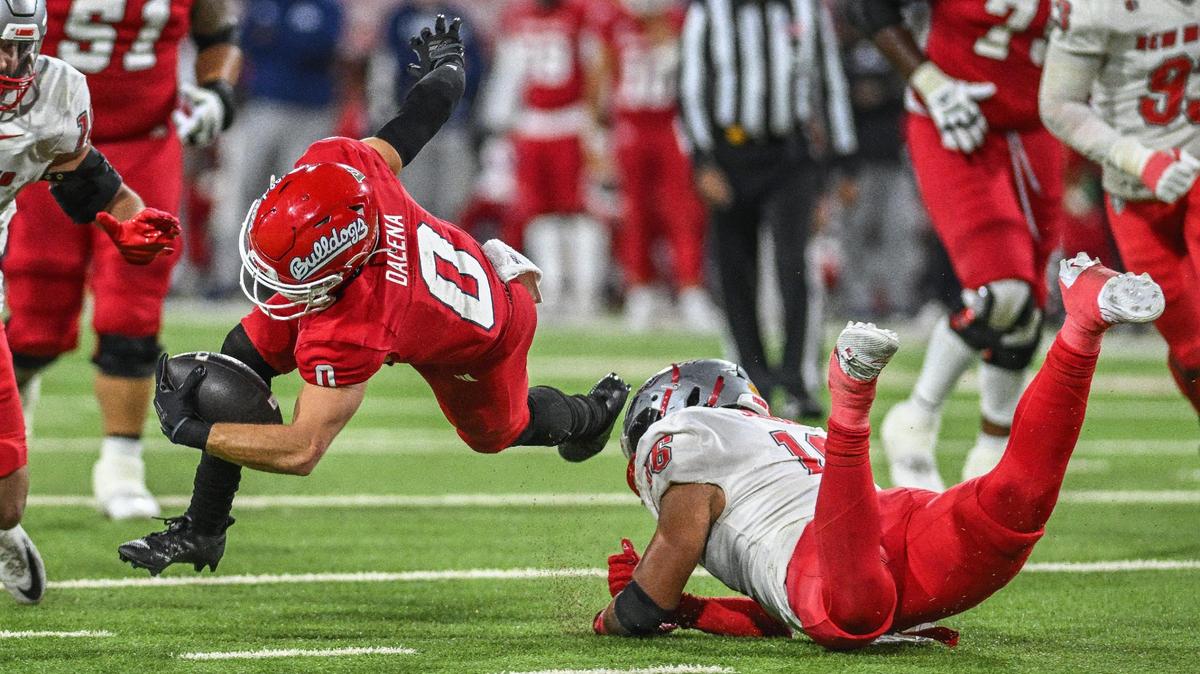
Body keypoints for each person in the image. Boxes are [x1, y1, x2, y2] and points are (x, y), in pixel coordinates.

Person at [118, 16, 628, 576]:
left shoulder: (356, 326)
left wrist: (193, 431)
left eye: (290, 275)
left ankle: (587, 417)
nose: (272, 285)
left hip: (489, 329)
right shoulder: (338, 168)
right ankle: (203, 529)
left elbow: (301, 449)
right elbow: (418, 117)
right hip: (403, 282)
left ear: (331, 274)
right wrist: (450, 70)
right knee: (238, 356)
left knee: (497, 433)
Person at [592, 254, 1164, 646]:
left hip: (834, 556)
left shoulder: (688, 437)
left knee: (853, 611)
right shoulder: (777, 443)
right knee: (1016, 505)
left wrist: (619, 613)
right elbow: (774, 620)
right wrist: (687, 609)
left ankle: (852, 405)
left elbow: (652, 591)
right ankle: (1081, 329)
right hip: (882, 523)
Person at [6, 0, 242, 520]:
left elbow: (219, 29)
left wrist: (217, 95)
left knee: (132, 309)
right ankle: (12, 421)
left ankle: (121, 465)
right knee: (32, 324)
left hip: (146, 140)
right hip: (44, 140)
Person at [0, 0, 181, 603]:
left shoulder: (54, 92)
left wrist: (127, 220)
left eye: (18, 47)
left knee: (7, 502)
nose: (9, 63)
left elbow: (88, 179)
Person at [850, 0, 1067, 490]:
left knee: (1027, 309)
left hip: (1038, 128)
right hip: (953, 119)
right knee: (1002, 293)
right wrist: (931, 82)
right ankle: (917, 416)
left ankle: (992, 451)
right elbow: (868, 8)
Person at [679, 0, 857, 420]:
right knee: (735, 273)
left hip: (789, 154)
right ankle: (750, 381)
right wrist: (703, 161)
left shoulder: (806, 10)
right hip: (730, 154)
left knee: (795, 267)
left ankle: (797, 380)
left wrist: (844, 160)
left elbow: (828, 83)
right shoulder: (709, 11)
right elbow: (689, 87)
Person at [1039, 0, 1200, 418]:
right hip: (1136, 190)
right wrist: (1138, 159)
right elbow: (1059, 103)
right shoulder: (1100, 6)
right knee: (1192, 351)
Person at [591, 0, 717, 333]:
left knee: (684, 211)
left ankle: (691, 288)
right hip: (631, 125)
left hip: (670, 125)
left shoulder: (680, 21)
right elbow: (599, 78)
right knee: (635, 213)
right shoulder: (614, 21)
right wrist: (595, 137)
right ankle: (640, 289)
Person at [479, 0, 608, 320]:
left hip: (570, 120)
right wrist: (500, 124)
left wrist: (594, 126)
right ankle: (550, 287)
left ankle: (584, 289)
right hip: (533, 122)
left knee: (578, 210)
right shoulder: (519, 16)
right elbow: (509, 75)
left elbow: (595, 70)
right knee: (537, 210)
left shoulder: (580, 14)